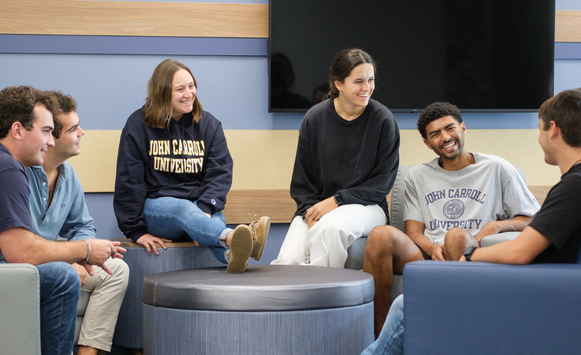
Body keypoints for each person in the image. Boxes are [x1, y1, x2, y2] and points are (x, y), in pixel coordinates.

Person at [361, 88, 581, 355]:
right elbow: (413, 232)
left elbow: (524, 244)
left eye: (449, 128)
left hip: (478, 261)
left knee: (454, 238)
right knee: (380, 236)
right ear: (427, 143)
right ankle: (379, 337)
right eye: (435, 134)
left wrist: (482, 240)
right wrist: (432, 249)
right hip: (432, 256)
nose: (445, 138)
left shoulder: (510, 171)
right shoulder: (417, 175)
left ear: (463, 128)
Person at [0, 85, 125, 355]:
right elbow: (21, 251)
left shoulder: (60, 174)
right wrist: (84, 251)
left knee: (112, 270)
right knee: (62, 276)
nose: (51, 141)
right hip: (14, 268)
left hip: (21, 265)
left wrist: (81, 254)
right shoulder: (10, 168)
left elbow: (83, 226)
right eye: (46, 132)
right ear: (18, 130)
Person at [114, 59, 270, 273]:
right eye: (180, 89)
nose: (189, 93)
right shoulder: (138, 125)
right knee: (183, 208)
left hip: (200, 209)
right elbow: (129, 179)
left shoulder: (209, 125)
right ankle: (234, 237)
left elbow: (220, 172)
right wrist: (135, 231)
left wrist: (206, 207)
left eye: (191, 86)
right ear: (162, 93)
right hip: (158, 210)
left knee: (214, 219)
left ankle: (231, 253)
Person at [271, 48, 400, 268]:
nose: (367, 88)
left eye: (371, 80)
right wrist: (309, 211)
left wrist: (336, 200)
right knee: (288, 261)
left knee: (330, 228)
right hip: (318, 206)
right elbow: (303, 179)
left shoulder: (383, 119)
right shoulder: (315, 118)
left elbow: (381, 184)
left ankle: (324, 299)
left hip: (368, 206)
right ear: (338, 84)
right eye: (358, 81)